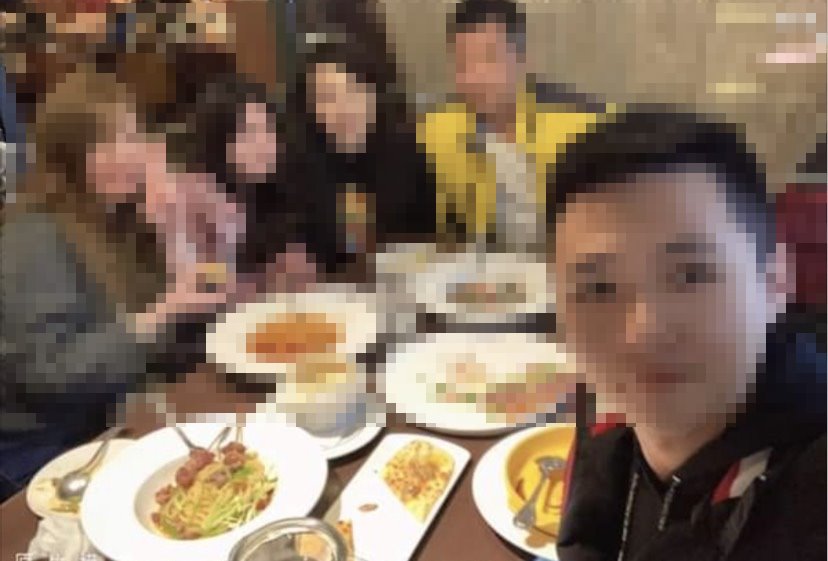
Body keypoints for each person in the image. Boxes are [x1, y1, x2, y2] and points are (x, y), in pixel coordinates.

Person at [548, 109, 826, 561]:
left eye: (692, 274)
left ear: (776, 281)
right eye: (598, 287)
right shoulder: (602, 414)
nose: (644, 333)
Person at [0, 68, 240, 499]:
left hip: (116, 417)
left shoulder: (119, 215)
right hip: (45, 454)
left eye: (132, 136)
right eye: (105, 144)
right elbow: (48, 375)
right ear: (68, 159)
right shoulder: (34, 237)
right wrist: (164, 312)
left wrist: (177, 229)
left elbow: (181, 314)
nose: (129, 155)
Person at [419, 0, 611, 247]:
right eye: (462, 64)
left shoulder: (579, 126)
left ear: (524, 60)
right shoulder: (436, 130)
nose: (475, 78)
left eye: (490, 59)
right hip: (484, 263)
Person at [294, 34, 436, 277]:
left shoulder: (406, 150)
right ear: (310, 108)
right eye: (328, 97)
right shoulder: (300, 166)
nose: (344, 108)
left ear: (374, 92)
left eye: (354, 90)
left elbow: (426, 236)